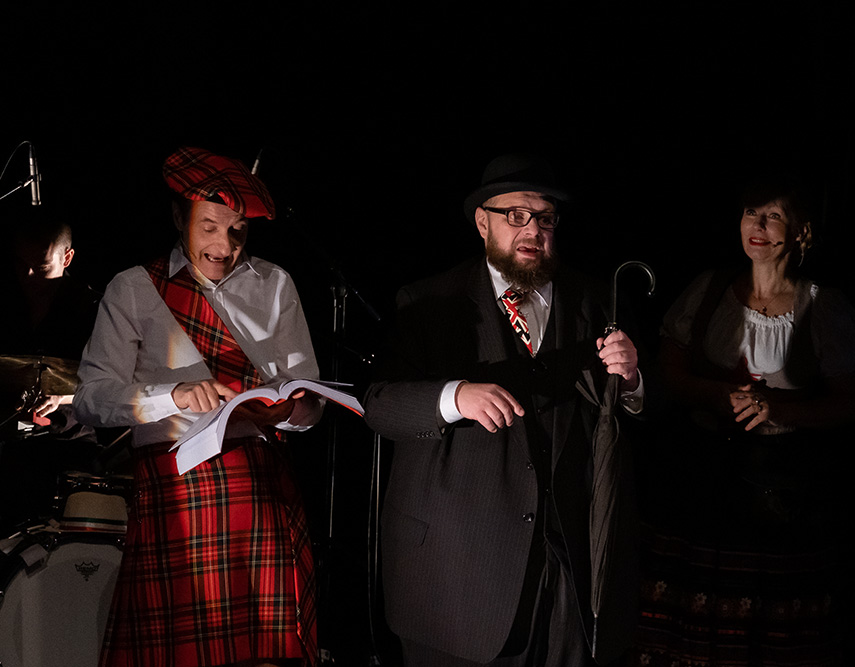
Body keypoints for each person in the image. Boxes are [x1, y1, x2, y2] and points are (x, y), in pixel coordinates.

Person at [363, 153, 643, 666]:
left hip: (565, 572)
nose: (532, 229)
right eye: (516, 215)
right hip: (457, 573)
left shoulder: (594, 301)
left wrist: (631, 381)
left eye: (545, 218)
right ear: (482, 222)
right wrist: (453, 397)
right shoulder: (428, 301)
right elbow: (379, 405)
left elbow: (625, 417)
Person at [74, 147, 324, 667]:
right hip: (176, 490)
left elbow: (310, 402)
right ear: (178, 218)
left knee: (267, 653)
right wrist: (174, 395)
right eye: (209, 227)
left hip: (260, 489)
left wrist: (288, 412)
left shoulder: (275, 284)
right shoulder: (135, 288)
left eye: (238, 232)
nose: (223, 246)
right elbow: (91, 399)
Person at [631, 175, 855, 666]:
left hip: (778, 492)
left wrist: (777, 409)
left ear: (800, 231)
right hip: (699, 481)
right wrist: (714, 395)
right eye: (749, 213)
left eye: (773, 215)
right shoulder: (709, 289)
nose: (757, 226)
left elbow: (851, 403)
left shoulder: (823, 306)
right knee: (688, 620)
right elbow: (667, 372)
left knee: (764, 629)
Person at [0, 209, 102, 534]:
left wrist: (62, 397)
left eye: (42, 267)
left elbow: (115, 382)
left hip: (69, 442)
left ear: (67, 258)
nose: (28, 275)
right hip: (10, 438)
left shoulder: (93, 310)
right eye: (21, 264)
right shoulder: (7, 304)